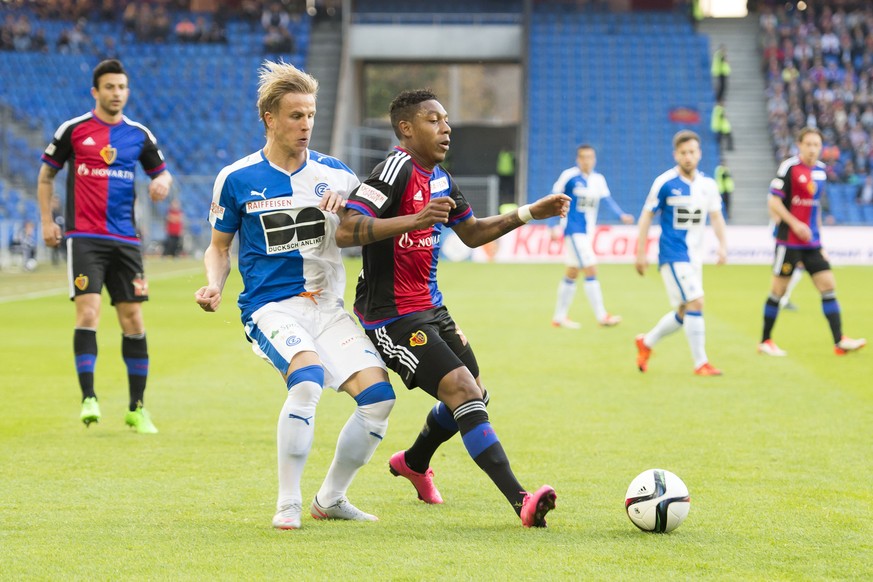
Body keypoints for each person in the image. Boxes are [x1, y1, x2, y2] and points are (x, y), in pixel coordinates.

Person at [336, 89, 568, 528]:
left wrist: (529, 213)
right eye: (433, 120)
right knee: (462, 390)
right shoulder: (394, 169)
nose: (445, 128)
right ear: (406, 128)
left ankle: (414, 462)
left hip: (432, 308)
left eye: (446, 121)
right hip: (391, 316)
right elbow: (347, 231)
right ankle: (521, 500)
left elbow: (473, 233)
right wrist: (415, 220)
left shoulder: (440, 177)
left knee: (475, 394)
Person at [194, 61, 395, 531]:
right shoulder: (237, 178)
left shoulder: (338, 176)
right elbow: (219, 247)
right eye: (295, 116)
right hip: (271, 307)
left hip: (328, 308)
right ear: (269, 117)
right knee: (305, 380)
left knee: (379, 399)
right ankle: (288, 502)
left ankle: (331, 499)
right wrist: (214, 285)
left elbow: (366, 228)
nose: (305, 125)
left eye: (310, 115)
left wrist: (348, 209)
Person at [37, 59, 173, 433]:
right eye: (109, 87)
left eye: (122, 87)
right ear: (95, 92)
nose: (116, 93)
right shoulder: (74, 131)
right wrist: (48, 221)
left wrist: (162, 184)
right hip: (85, 237)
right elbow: (46, 175)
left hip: (126, 240)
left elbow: (161, 174)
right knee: (89, 313)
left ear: (127, 92)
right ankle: (89, 398)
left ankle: (137, 408)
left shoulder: (139, 135)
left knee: (133, 320)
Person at [758, 127, 866, 357]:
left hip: (812, 244)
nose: (813, 149)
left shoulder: (820, 172)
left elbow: (814, 209)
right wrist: (795, 224)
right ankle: (765, 341)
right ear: (799, 145)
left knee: (828, 285)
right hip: (788, 241)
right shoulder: (789, 168)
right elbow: (774, 202)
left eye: (817, 145)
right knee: (778, 290)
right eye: (808, 144)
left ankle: (840, 341)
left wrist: (821, 241)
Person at [634, 130, 728, 376]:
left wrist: (722, 245)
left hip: (694, 256)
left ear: (699, 153)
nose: (688, 157)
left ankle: (646, 342)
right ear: (676, 154)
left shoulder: (708, 185)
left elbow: (716, 217)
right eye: (683, 152)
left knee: (684, 311)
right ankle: (701, 364)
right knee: (697, 302)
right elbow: (646, 216)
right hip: (673, 254)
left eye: (692, 152)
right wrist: (640, 252)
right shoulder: (664, 183)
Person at [547, 144, 634, 329]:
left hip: (587, 232)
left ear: (594, 159)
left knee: (572, 272)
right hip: (573, 229)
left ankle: (559, 317)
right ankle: (602, 316)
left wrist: (621, 215)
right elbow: (553, 199)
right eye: (584, 157)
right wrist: (552, 225)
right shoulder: (569, 176)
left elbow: (607, 200)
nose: (587, 161)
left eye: (590, 157)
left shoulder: (598, 180)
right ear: (578, 159)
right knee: (591, 269)